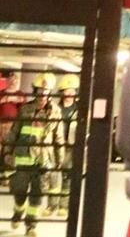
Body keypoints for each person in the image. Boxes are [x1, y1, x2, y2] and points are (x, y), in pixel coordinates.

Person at [7, 73, 63, 237]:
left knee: (37, 197)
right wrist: (7, 152)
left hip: (43, 162)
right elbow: (14, 132)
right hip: (22, 160)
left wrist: (59, 161)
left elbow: (58, 137)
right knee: (19, 193)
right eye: (40, 91)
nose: (42, 95)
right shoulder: (25, 109)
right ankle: (18, 212)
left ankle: (31, 226)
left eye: (46, 92)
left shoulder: (55, 113)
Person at [44, 73, 79, 218]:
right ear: (62, 92)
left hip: (71, 147)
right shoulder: (54, 108)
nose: (69, 93)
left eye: (72, 90)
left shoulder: (80, 110)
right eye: (67, 90)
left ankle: (63, 206)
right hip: (55, 146)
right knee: (53, 176)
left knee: (67, 177)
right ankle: (51, 206)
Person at [0, 72, 26, 185]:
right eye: (11, 80)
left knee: (9, 150)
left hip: (14, 127)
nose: (13, 83)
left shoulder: (21, 94)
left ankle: (7, 176)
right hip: (1, 125)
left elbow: (24, 107)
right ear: (7, 81)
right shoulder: (1, 93)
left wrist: (15, 99)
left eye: (15, 81)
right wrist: (5, 99)